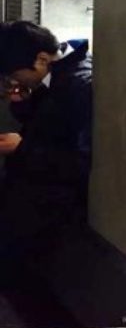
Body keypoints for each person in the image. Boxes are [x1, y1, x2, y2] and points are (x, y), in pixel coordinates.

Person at [0, 21, 92, 257]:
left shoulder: (79, 85)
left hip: (54, 211)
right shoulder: (57, 74)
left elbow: (82, 164)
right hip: (35, 193)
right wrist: (22, 102)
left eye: (14, 75)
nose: (12, 81)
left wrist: (22, 148)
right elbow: (45, 123)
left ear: (41, 59)